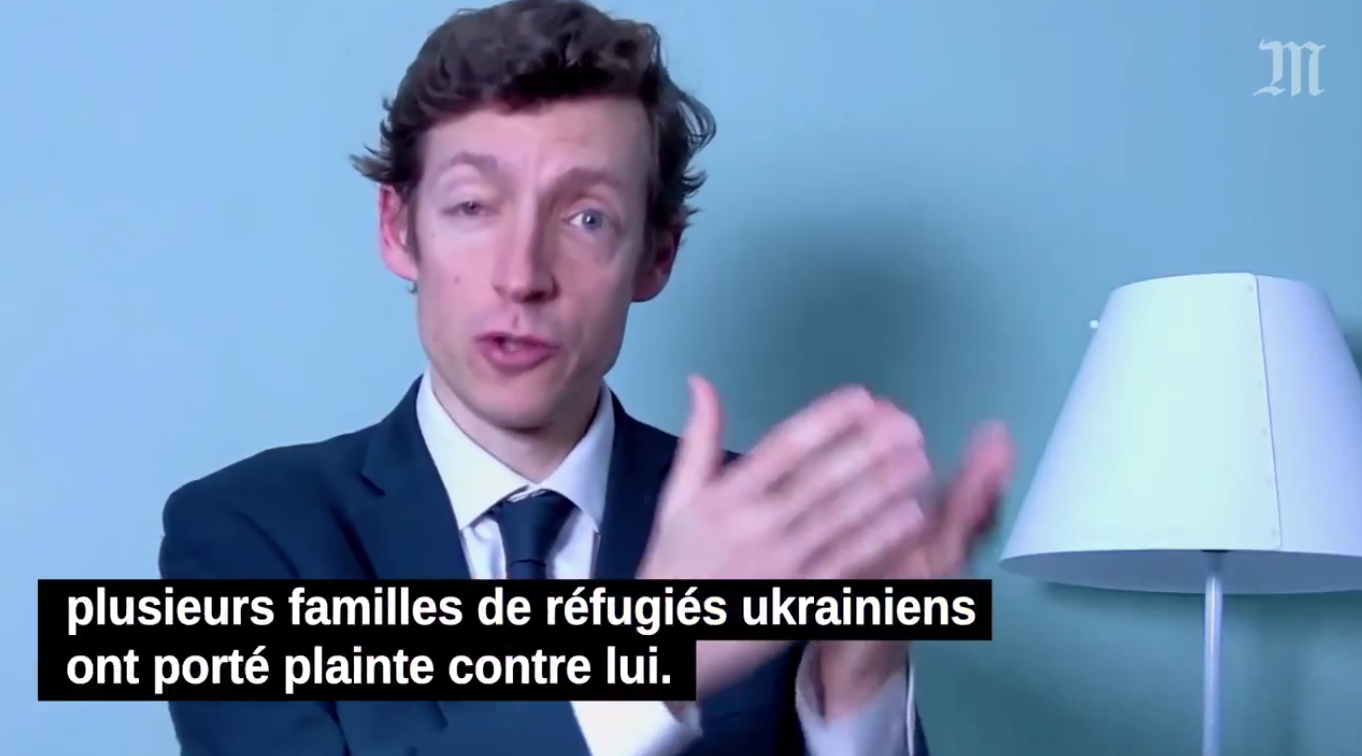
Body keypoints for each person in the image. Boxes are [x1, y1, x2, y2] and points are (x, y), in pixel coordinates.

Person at [157, 1, 1014, 754]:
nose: (522, 275)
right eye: (472, 206)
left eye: (587, 218)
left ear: (656, 255)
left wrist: (860, 676)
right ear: (398, 227)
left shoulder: (776, 539)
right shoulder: (247, 534)